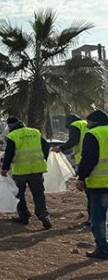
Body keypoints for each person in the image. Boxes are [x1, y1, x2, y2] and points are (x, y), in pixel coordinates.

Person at [0, 117, 52, 229]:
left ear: (10, 126)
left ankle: (24, 216)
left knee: (19, 194)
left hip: (20, 171)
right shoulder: (35, 132)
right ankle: (43, 214)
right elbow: (46, 146)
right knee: (38, 193)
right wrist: (43, 159)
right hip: (37, 169)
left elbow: (9, 153)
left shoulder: (13, 136)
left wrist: (5, 168)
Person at [75, 109, 108, 260]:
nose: (87, 125)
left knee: (98, 218)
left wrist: (81, 177)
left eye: (88, 122)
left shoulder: (93, 134)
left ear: (95, 122)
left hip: (99, 184)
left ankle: (102, 249)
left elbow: (89, 159)